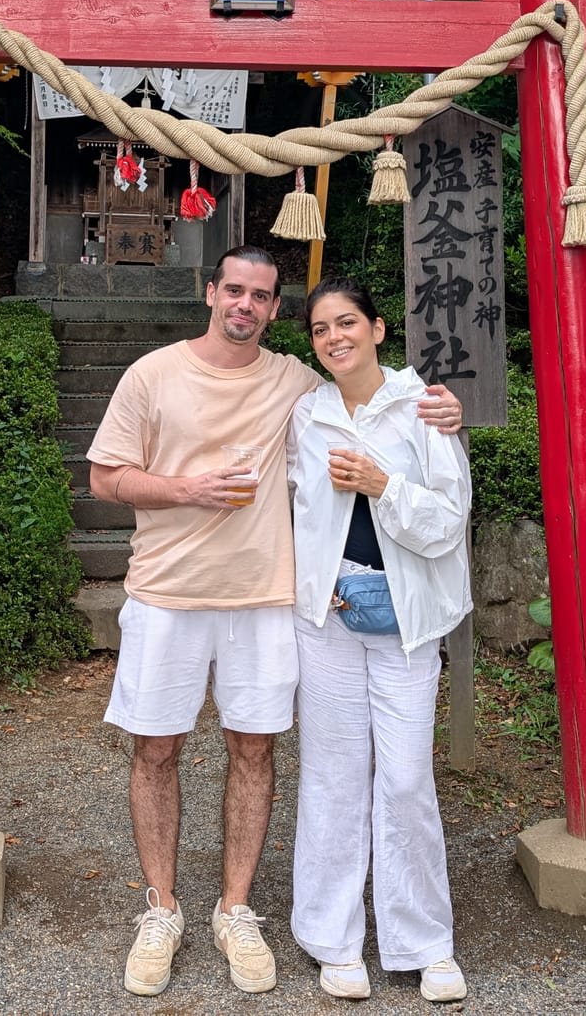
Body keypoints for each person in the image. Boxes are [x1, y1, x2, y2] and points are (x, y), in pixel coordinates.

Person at [87, 246, 463, 998]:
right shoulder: (170, 378)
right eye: (235, 291)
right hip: (178, 593)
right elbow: (104, 477)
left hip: (269, 601)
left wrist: (446, 409)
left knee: (273, 754)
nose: (246, 306)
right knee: (163, 749)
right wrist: (189, 487)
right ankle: (168, 910)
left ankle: (240, 909)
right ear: (210, 293)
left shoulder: (312, 388)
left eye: (262, 296)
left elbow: (426, 478)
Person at [285, 275, 473, 1003]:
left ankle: (424, 941)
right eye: (321, 329)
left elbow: (446, 522)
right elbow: (296, 516)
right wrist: (314, 581)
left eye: (347, 323)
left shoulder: (424, 406)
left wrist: (381, 483)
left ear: (378, 329)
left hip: (406, 621)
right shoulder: (309, 415)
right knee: (332, 775)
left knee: (404, 779)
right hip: (329, 620)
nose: (335, 337)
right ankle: (332, 938)